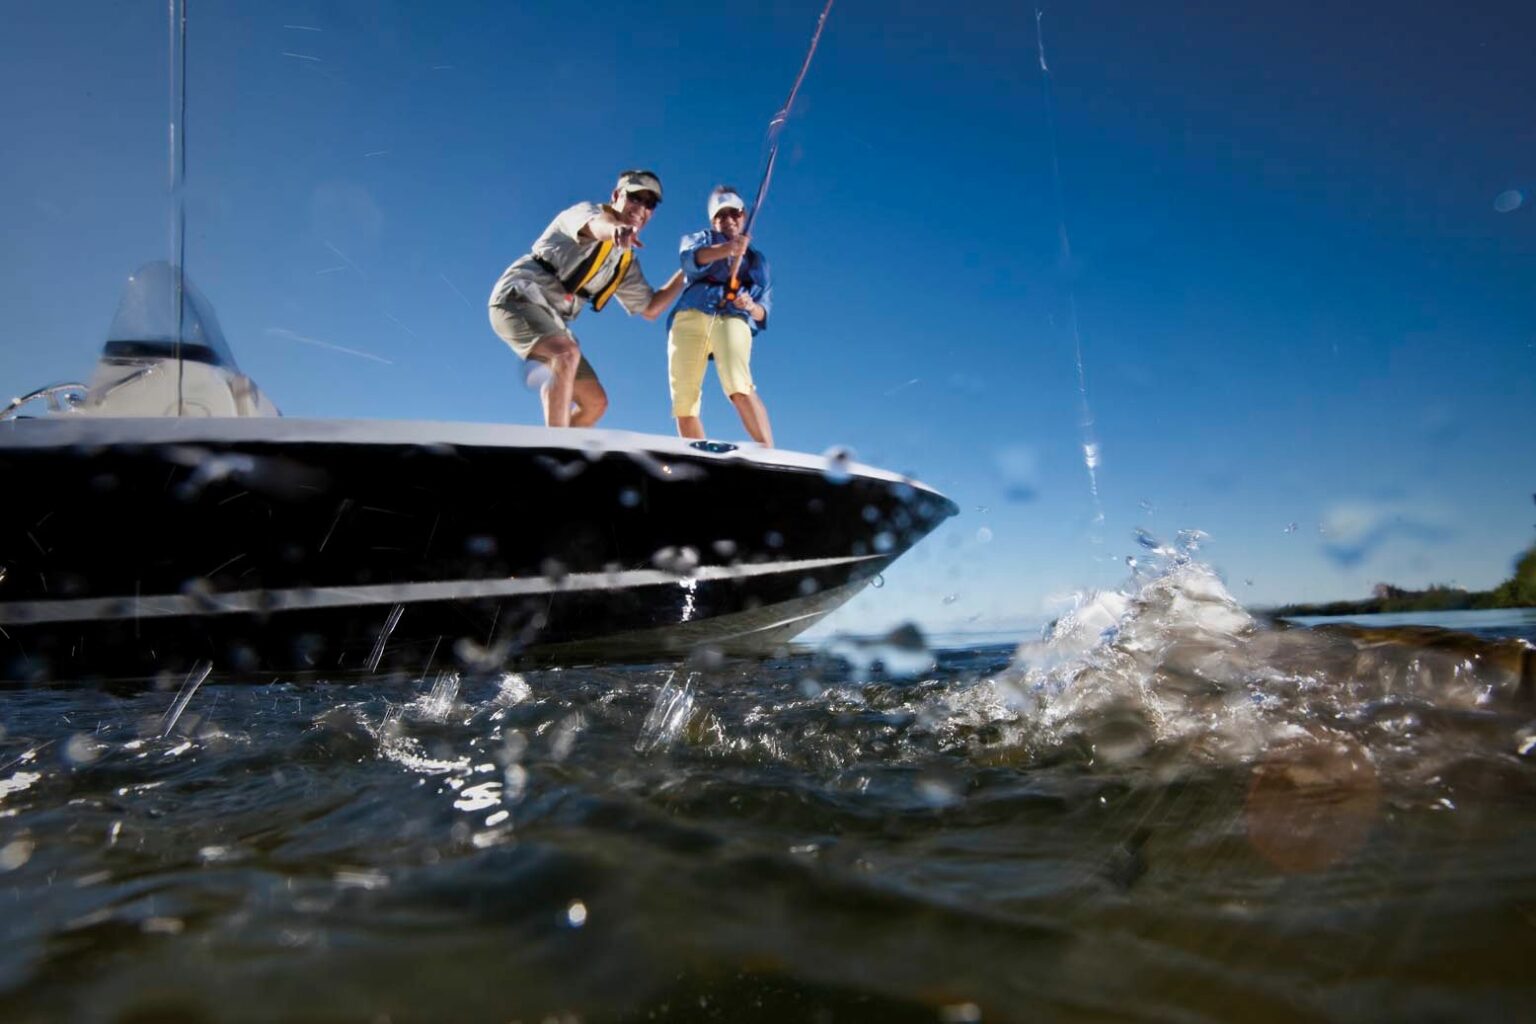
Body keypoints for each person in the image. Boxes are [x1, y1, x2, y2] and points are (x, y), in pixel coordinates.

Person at [488, 170, 686, 427]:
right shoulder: (586, 212)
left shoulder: (624, 261)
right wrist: (616, 230)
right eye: (635, 198)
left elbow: (650, 308)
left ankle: (556, 450)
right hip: (517, 298)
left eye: (649, 204)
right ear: (617, 196)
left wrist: (689, 270)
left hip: (554, 322)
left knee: (595, 403)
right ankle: (555, 451)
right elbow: (598, 225)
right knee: (565, 355)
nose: (641, 208)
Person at [665, 186, 774, 446]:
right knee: (684, 401)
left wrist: (749, 305)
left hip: (731, 317)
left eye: (734, 213)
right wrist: (728, 249)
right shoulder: (700, 239)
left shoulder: (757, 261)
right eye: (720, 216)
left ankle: (769, 453)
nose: (728, 220)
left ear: (743, 215)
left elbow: (763, 311)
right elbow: (692, 259)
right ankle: (697, 461)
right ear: (713, 221)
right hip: (688, 317)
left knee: (738, 384)